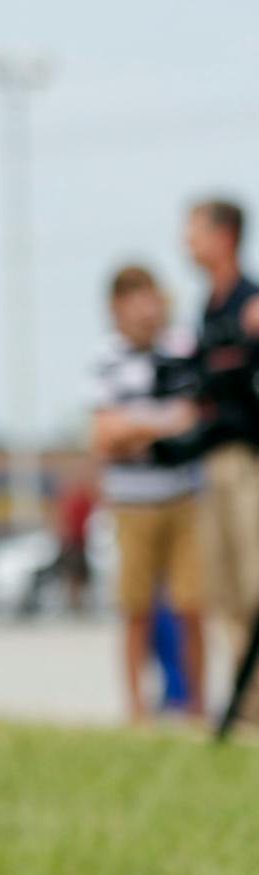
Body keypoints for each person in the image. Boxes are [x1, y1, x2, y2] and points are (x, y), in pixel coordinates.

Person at [89, 263, 204, 723]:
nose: (145, 308)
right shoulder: (105, 357)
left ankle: (196, 708)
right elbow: (103, 436)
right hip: (132, 501)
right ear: (117, 308)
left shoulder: (182, 350)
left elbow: (195, 416)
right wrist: (159, 424)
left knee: (191, 605)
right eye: (134, 299)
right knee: (135, 608)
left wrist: (132, 426)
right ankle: (136, 712)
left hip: (183, 497)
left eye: (150, 296)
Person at [185, 199, 259, 666]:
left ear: (225, 235)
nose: (186, 242)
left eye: (194, 231)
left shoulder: (250, 303)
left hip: (249, 461)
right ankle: (247, 710)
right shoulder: (208, 306)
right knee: (226, 589)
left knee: (255, 581)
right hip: (214, 459)